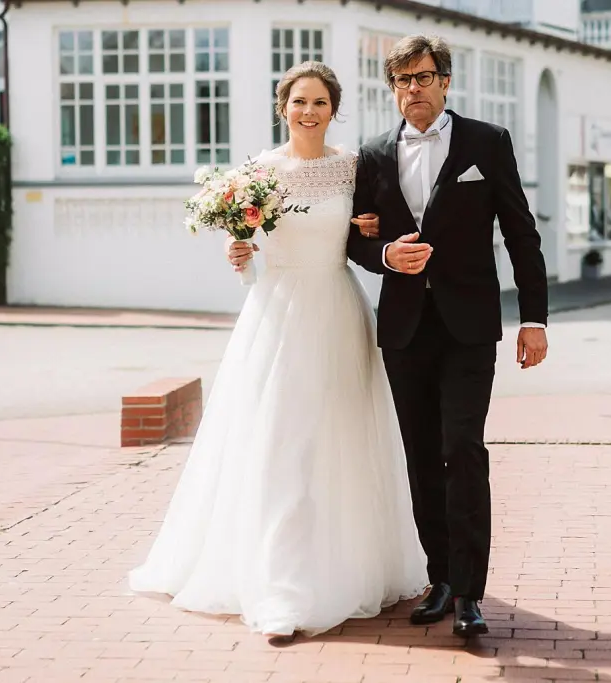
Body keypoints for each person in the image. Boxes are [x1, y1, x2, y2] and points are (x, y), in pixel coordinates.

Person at [129, 61, 428, 645]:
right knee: (282, 443)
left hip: (337, 311)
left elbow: (372, 233)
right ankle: (281, 587)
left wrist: (369, 229)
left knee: (339, 441)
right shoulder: (259, 172)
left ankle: (342, 568)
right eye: (299, 102)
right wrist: (238, 254)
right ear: (282, 107)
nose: (308, 112)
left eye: (320, 102)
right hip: (278, 314)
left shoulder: (353, 169)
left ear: (334, 109)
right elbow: (244, 241)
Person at [347, 34, 549, 637]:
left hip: (468, 326)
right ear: (393, 88)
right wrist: (385, 254)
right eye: (404, 80)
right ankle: (438, 577)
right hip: (404, 331)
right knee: (420, 456)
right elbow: (354, 239)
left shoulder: (488, 142)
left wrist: (534, 318)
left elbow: (521, 233)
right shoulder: (374, 154)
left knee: (462, 449)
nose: (415, 89)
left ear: (445, 82)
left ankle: (469, 592)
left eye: (426, 77)